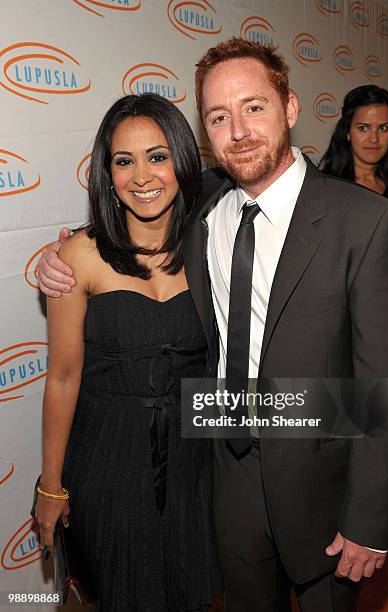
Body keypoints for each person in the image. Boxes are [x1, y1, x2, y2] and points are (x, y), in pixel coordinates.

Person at [38, 39, 388, 612]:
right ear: (206, 134)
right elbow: (134, 219)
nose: (238, 130)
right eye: (220, 117)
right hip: (221, 472)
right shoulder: (205, 210)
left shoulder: (368, 224)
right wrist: (60, 253)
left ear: (290, 108)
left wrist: (373, 519)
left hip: (321, 490)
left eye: (254, 107)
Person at [34, 93, 220, 612]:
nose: (142, 176)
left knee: (188, 592)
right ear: (106, 172)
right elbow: (64, 377)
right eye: (124, 160)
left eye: (157, 156)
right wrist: (51, 486)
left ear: (183, 161)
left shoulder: (213, 245)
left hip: (194, 457)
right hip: (107, 460)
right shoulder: (79, 255)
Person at [320, 84, 388, 254]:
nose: (374, 138)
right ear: (348, 132)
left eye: (383, 128)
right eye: (363, 128)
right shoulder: (325, 186)